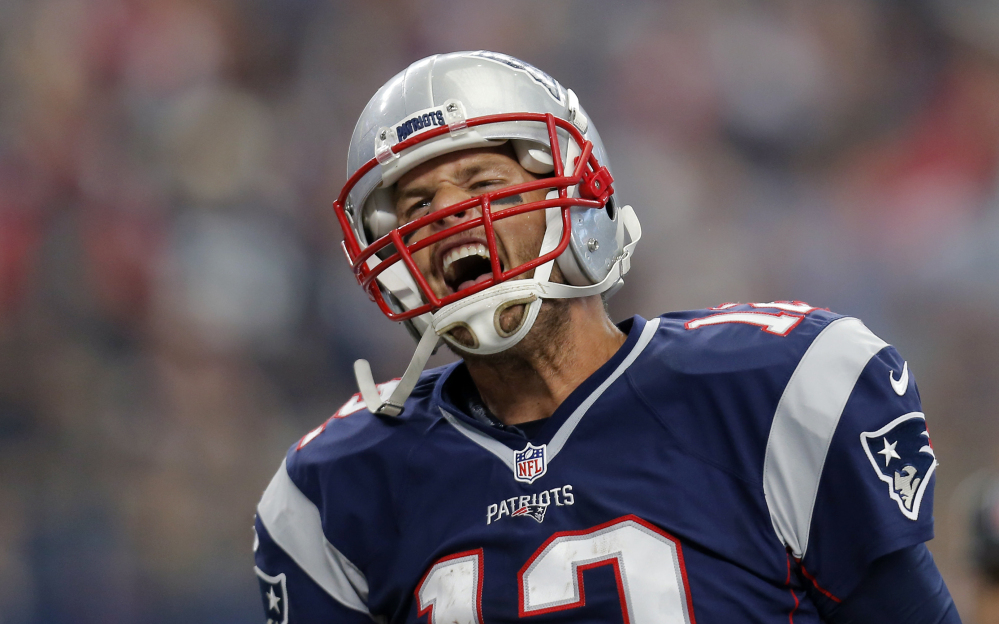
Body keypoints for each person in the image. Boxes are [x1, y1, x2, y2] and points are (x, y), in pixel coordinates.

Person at [253, 51, 961, 623]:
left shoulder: (768, 390)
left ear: (575, 197)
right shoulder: (336, 490)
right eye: (416, 205)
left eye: (479, 181)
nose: (448, 218)